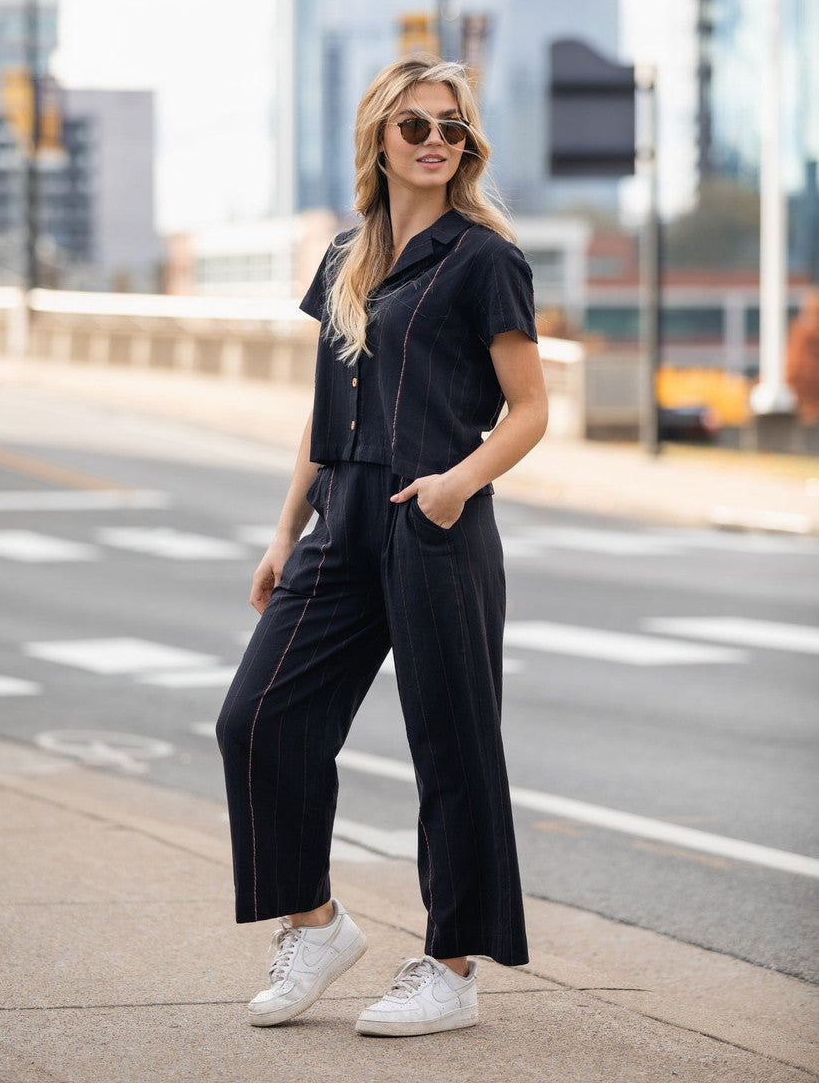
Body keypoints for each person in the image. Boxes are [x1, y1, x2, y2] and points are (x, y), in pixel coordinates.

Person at [216, 54, 548, 1037]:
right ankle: (313, 922)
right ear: (379, 139)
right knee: (257, 718)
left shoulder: (485, 258)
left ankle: (451, 962)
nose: (437, 140)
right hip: (339, 522)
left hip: (432, 518)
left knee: (451, 748)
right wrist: (285, 531)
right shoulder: (341, 258)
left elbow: (530, 411)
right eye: (415, 125)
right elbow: (323, 411)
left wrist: (454, 485)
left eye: (452, 127)